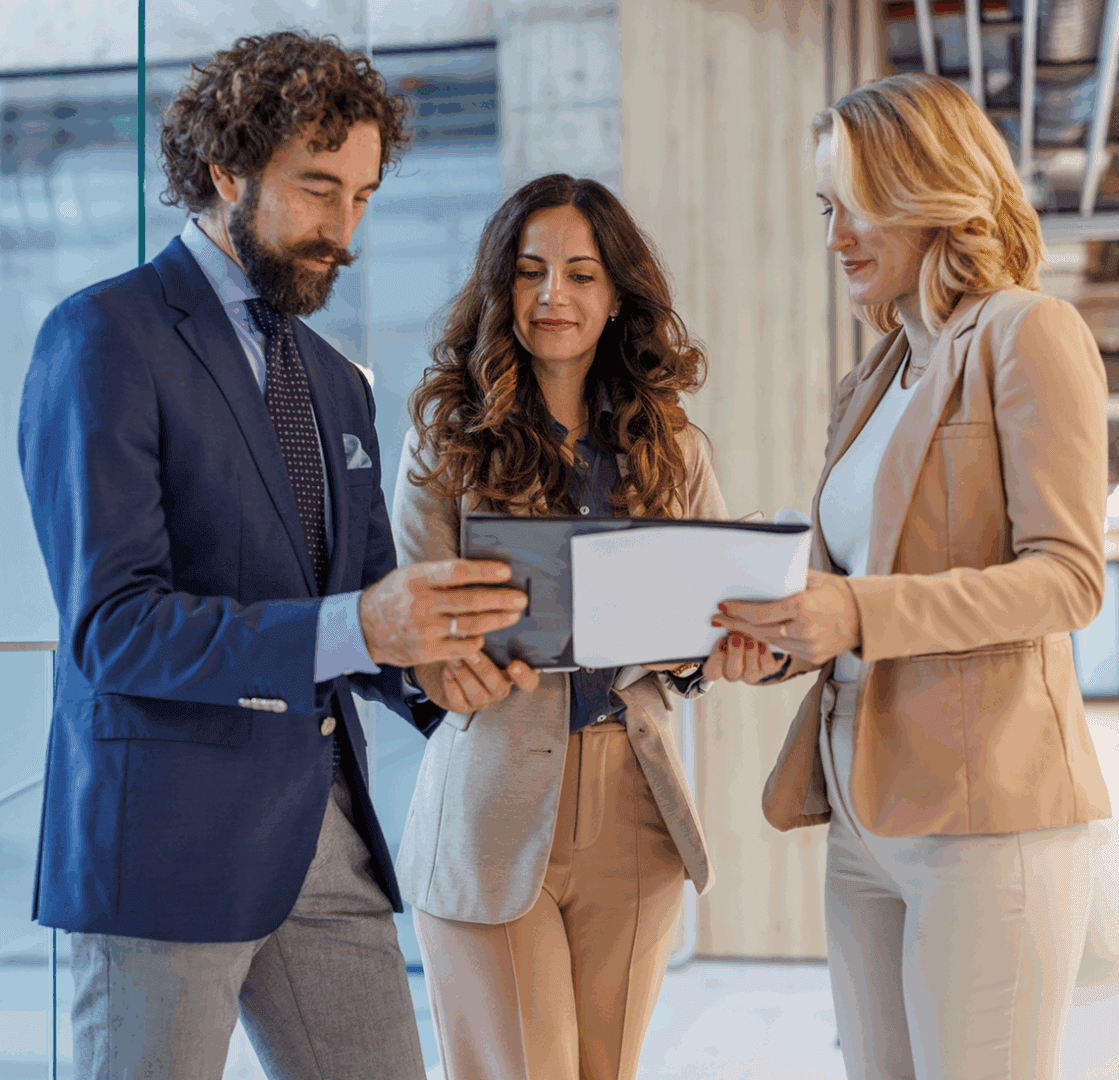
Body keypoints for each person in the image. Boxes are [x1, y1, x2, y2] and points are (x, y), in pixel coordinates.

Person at [18, 31, 531, 1080]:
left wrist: (434, 666)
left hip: (326, 836)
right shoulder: (104, 338)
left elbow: (361, 604)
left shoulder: (338, 382)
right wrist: (363, 627)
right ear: (226, 168)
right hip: (164, 850)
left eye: (362, 196)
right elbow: (116, 629)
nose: (342, 229)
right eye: (315, 189)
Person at [711, 72, 1112, 1079]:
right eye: (825, 208)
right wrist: (775, 626)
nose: (836, 236)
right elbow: (855, 576)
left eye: (857, 204)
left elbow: (1068, 578)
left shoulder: (1027, 332)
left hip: (987, 821)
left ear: (930, 191)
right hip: (864, 811)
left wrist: (856, 609)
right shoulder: (880, 373)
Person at [390, 173, 745, 1080]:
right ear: (498, 287)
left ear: (617, 293)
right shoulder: (447, 437)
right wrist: (439, 659)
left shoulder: (674, 445)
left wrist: (733, 639)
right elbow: (408, 618)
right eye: (530, 271)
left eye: (582, 274)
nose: (554, 296)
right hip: (490, 799)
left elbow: (706, 623)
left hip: (636, 799)